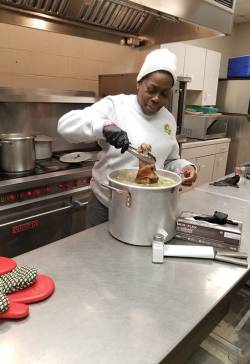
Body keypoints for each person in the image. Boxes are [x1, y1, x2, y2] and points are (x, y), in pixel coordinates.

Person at [58, 48, 197, 228]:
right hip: (106, 204)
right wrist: (104, 127)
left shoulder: (168, 119)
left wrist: (184, 166)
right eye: (151, 89)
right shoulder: (116, 106)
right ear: (139, 83)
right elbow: (65, 126)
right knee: (98, 254)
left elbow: (168, 160)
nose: (156, 98)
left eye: (164, 94)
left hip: (148, 206)